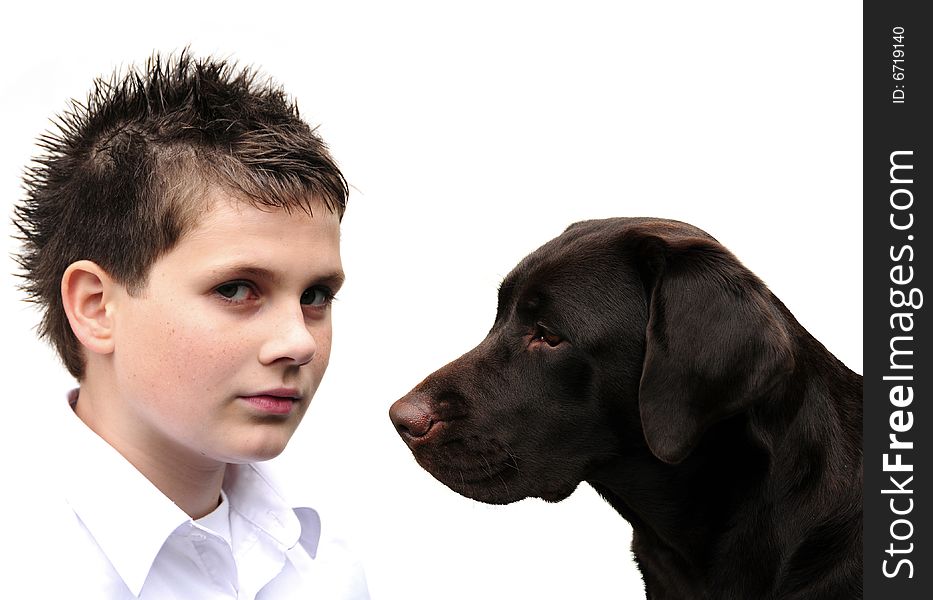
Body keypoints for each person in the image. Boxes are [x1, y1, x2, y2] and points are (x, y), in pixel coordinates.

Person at [11, 51, 370, 599]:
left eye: (316, 295)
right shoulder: (29, 566)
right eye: (236, 289)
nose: (298, 341)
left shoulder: (321, 568)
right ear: (95, 306)